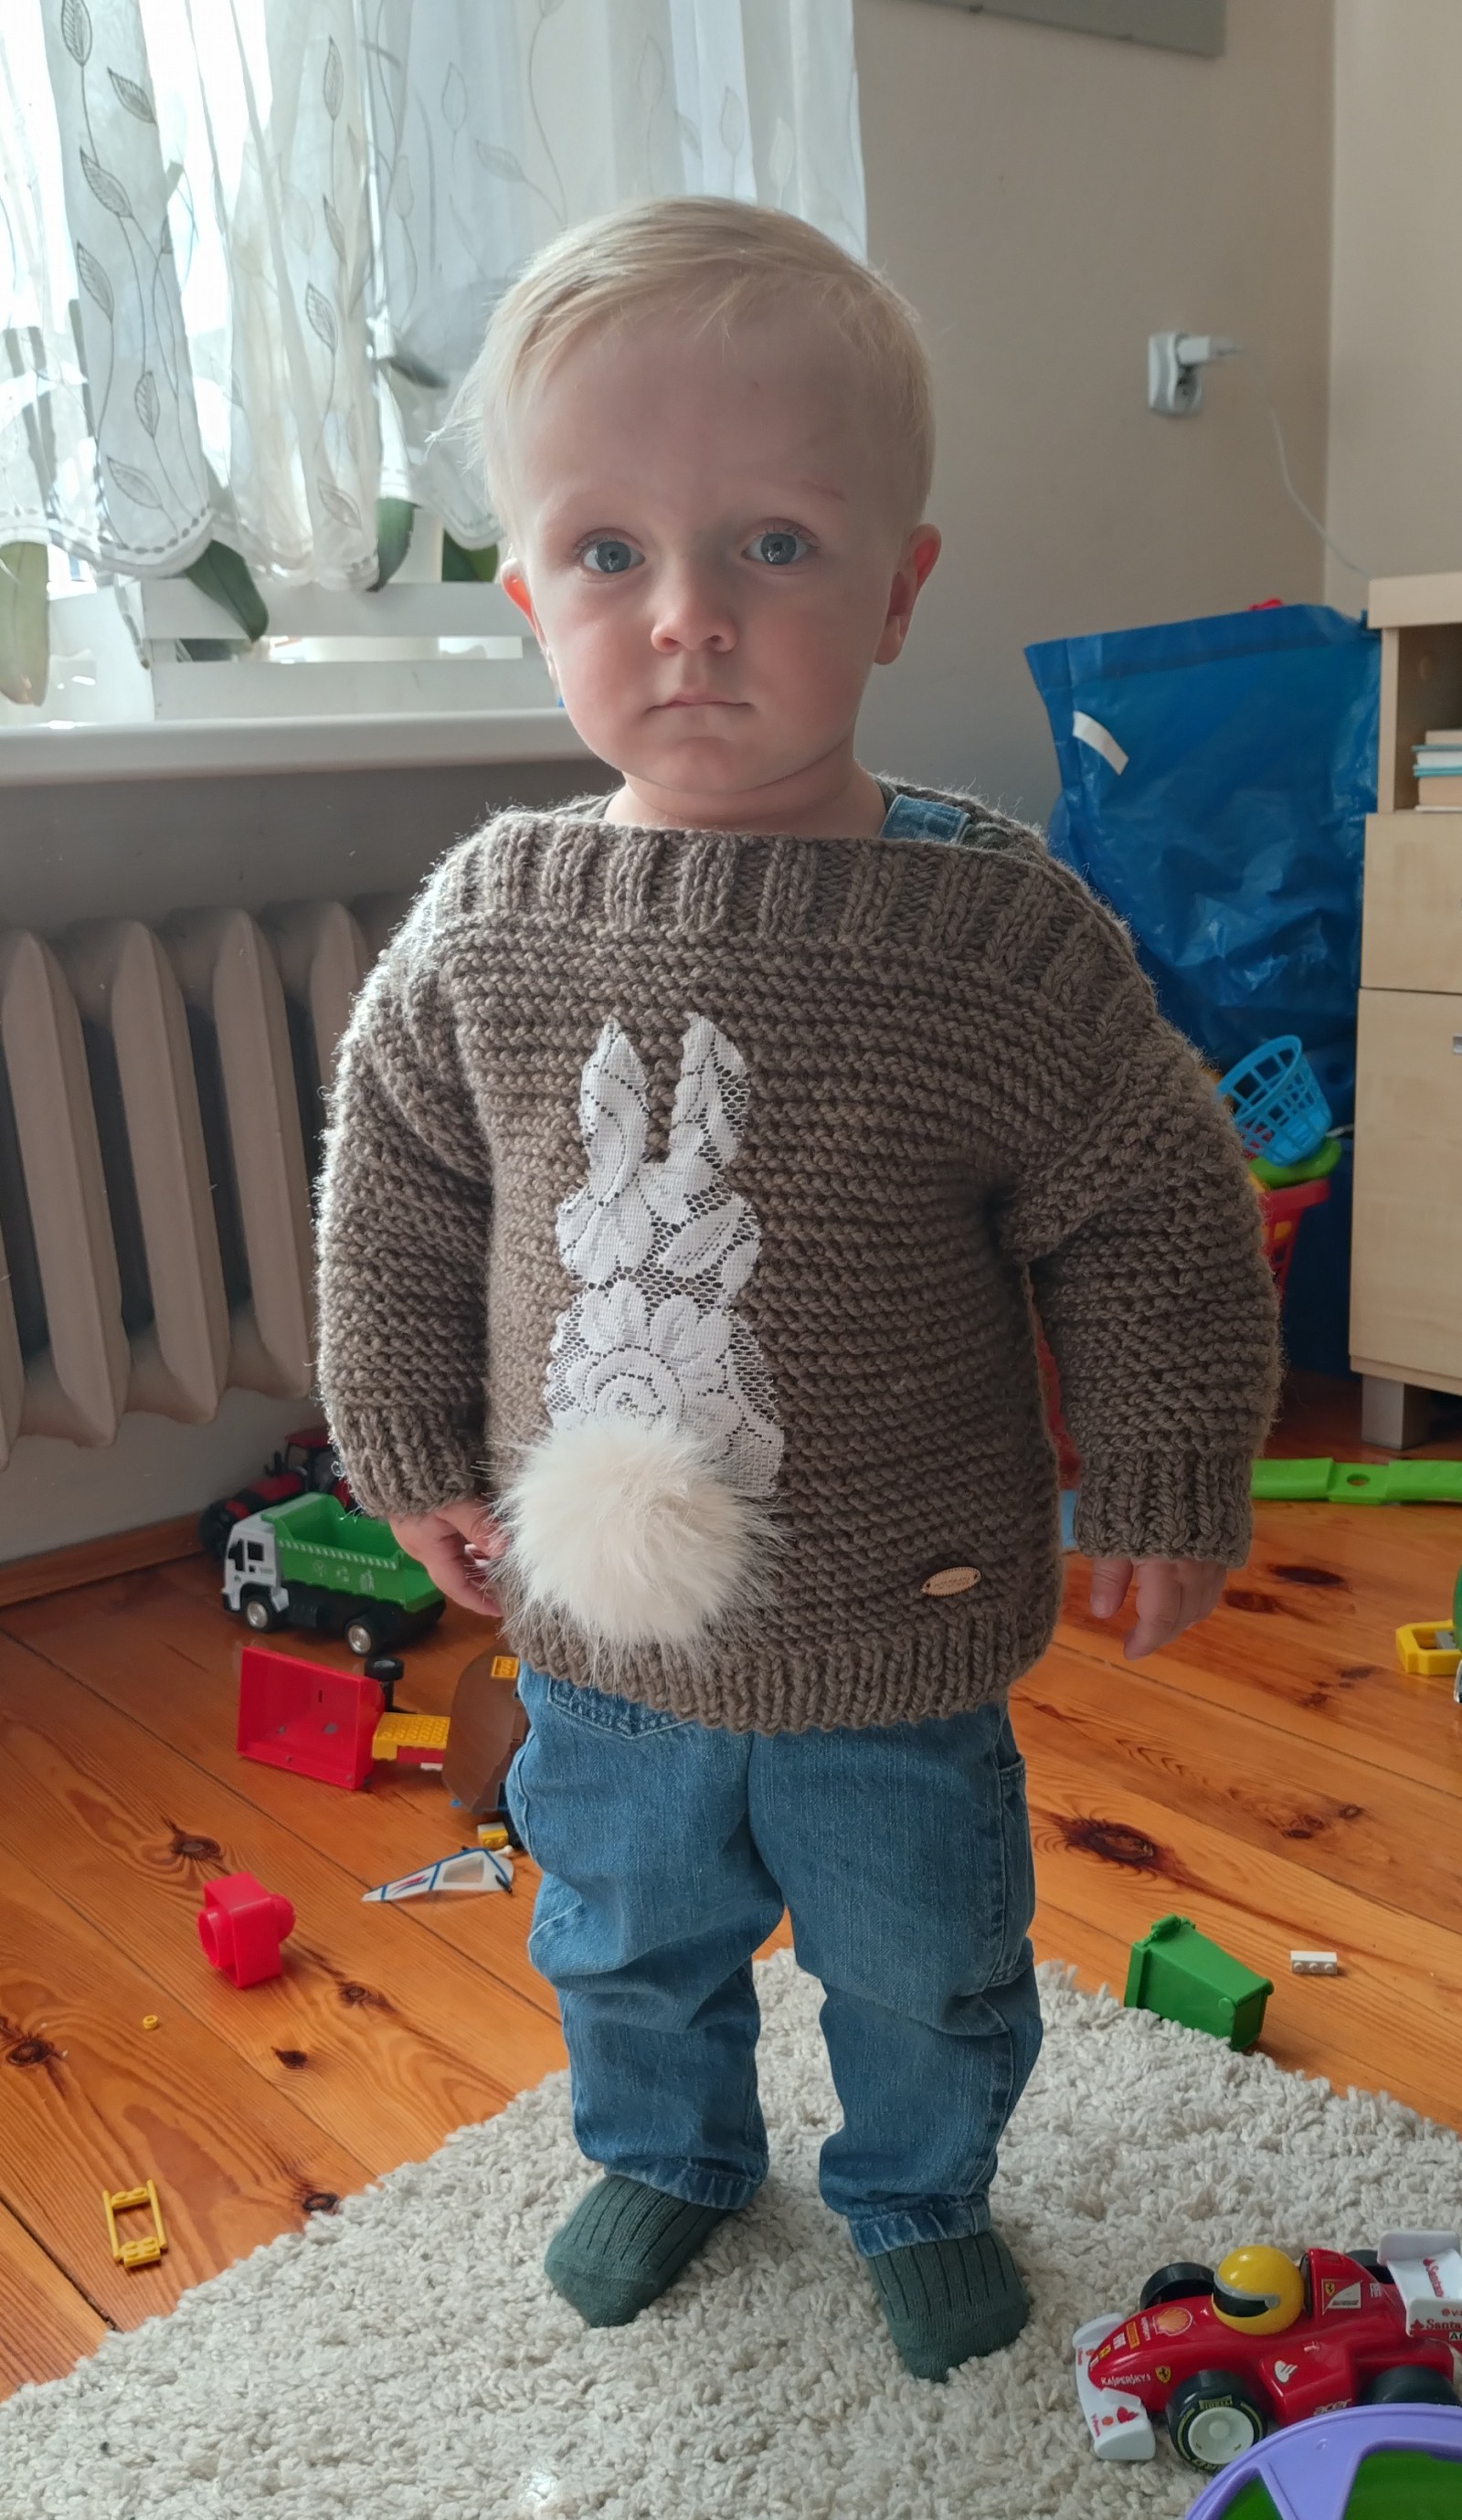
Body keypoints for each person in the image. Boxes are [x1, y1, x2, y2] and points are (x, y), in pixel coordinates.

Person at [315, 197, 1279, 2382]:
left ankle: (917, 2182)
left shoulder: (992, 941)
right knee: (615, 1929)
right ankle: (665, 2149)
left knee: (921, 1955)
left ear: (897, 585)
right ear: (526, 593)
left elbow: (1151, 1205)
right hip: (602, 1629)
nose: (686, 616)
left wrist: (1156, 1473)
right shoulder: (488, 923)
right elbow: (398, 1182)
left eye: (770, 543)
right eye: (607, 553)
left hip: (895, 1612)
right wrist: (407, 1442)